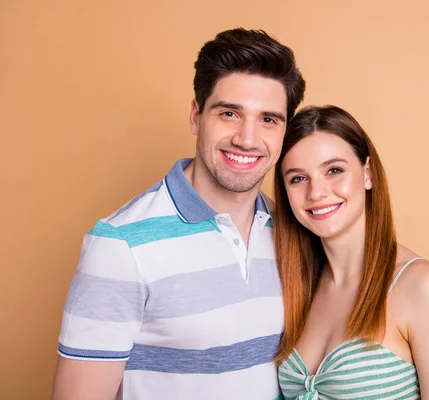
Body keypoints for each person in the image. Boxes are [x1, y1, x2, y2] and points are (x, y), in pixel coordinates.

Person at [52, 28, 305, 400]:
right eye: (229, 113)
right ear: (196, 115)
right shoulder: (121, 245)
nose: (247, 139)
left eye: (268, 119)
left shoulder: (291, 230)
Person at [274, 106, 429, 399]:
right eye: (298, 178)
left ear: (368, 174)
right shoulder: (298, 286)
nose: (316, 192)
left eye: (334, 170)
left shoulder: (422, 286)